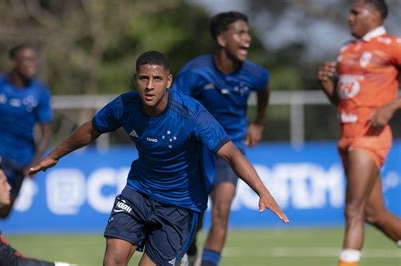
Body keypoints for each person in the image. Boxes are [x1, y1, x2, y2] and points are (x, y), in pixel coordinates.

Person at [29, 50, 288, 266]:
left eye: (156, 78)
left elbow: (231, 153)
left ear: (169, 81)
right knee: (112, 261)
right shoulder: (124, 106)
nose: (149, 85)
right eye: (143, 78)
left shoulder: (191, 114)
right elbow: (92, 129)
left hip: (180, 206)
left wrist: (262, 190)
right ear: (135, 79)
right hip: (138, 194)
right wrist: (54, 156)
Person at [171, 11, 270, 266]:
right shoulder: (195, 72)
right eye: (240, 33)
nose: (247, 38)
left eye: (247, 32)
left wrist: (258, 122)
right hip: (197, 150)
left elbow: (264, 89)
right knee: (196, 215)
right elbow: (172, 105)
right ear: (222, 39)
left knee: (222, 210)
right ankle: (190, 249)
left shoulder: (255, 74)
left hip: (230, 151)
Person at [317, 0, 401, 265]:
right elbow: (340, 100)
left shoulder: (392, 45)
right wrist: (325, 84)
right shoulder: (347, 49)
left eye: (356, 12)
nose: (349, 17)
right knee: (373, 213)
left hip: (370, 137)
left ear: (374, 15)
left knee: (352, 209)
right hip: (348, 136)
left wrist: (393, 104)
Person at [0, 44, 53, 218]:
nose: (32, 64)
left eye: (34, 59)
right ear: (14, 62)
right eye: (26, 60)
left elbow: (46, 134)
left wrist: (35, 163)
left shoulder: (40, 92)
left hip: (21, 156)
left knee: (4, 211)